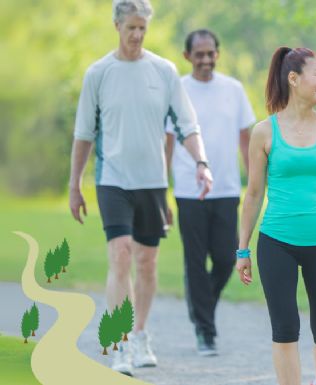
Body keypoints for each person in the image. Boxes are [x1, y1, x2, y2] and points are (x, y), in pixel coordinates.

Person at [68, 0, 212, 376]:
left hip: (152, 183)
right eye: (130, 27)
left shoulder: (163, 71)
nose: (136, 35)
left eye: (142, 29)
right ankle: (119, 345)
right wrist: (74, 184)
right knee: (120, 255)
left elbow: (187, 124)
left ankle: (141, 334)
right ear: (117, 25)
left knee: (147, 263)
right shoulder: (98, 73)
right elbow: (84, 134)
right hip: (113, 180)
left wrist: (201, 162)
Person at [235, 47, 316, 385]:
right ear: (294, 79)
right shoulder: (264, 132)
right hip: (277, 241)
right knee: (286, 326)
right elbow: (253, 194)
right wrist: (243, 249)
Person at [165, 29, 255, 356]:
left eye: (210, 53)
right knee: (194, 261)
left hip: (227, 187)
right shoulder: (177, 91)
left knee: (225, 258)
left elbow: (247, 139)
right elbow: (168, 143)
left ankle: (201, 307)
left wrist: (254, 181)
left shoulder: (234, 89)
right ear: (187, 56)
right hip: (189, 190)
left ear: (218, 53)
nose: (205, 59)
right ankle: (205, 330)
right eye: (199, 54)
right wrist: (164, 191)